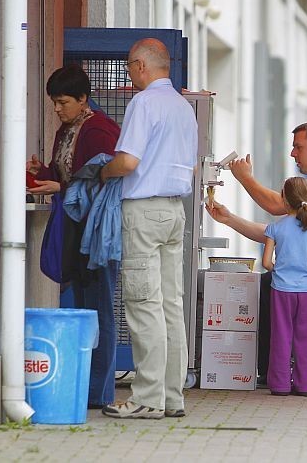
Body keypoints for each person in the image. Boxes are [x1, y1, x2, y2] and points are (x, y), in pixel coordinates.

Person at [100, 38, 197, 419]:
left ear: (141, 65)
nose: (129, 75)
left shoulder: (144, 103)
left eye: (128, 67)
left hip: (143, 210)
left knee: (143, 305)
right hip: (175, 211)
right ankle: (173, 397)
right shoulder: (182, 106)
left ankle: (147, 397)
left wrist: (102, 171)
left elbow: (127, 161)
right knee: (172, 305)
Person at [26, 64, 121, 409]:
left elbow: (104, 179)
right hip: (73, 224)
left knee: (98, 309)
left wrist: (61, 185)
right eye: (54, 102)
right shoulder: (67, 130)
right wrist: (45, 173)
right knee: (83, 307)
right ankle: (85, 384)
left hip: (95, 229)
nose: (57, 109)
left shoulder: (99, 129)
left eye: (63, 102)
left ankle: (98, 391)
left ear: (83, 99)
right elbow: (67, 170)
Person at [219, 122, 307, 386]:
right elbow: (277, 231)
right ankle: (305, 381)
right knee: (306, 335)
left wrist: (245, 178)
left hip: (303, 285)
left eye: (298, 147)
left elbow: (276, 210)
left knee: (283, 329)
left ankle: (278, 377)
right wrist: (229, 219)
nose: (292, 154)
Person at [262, 177, 307, 396]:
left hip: (281, 290)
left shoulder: (274, 228)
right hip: (306, 291)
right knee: (306, 338)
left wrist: (278, 269)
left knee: (281, 335)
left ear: (284, 199)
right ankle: (306, 385)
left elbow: (265, 262)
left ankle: (280, 384)